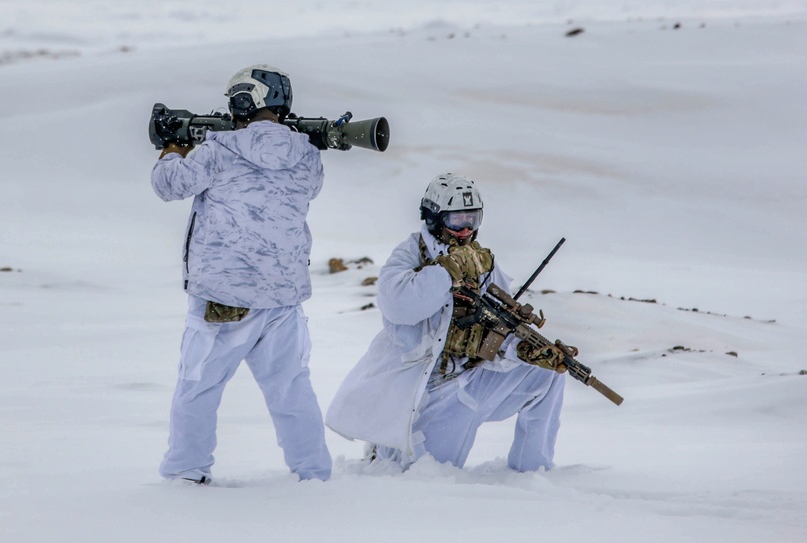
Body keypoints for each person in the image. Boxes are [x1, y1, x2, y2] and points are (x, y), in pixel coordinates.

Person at [151, 64, 332, 484]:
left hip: (223, 294)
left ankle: (186, 470)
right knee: (291, 389)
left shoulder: (220, 150)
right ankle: (313, 473)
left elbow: (168, 185)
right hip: (283, 295)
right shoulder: (307, 155)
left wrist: (174, 146)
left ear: (243, 100)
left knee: (198, 386)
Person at [325, 173, 570, 472]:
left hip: (472, 376)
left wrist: (525, 350)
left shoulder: (481, 261)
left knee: (546, 375)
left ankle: (532, 473)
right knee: (423, 476)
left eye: (473, 219)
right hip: (428, 391)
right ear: (433, 218)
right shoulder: (410, 254)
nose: (466, 229)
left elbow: (501, 324)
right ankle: (385, 454)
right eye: (456, 220)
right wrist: (447, 271)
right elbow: (400, 306)